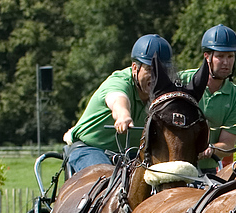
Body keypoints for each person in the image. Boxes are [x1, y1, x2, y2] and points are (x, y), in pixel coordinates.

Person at [63, 34, 174, 174]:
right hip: (90, 148)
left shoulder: (164, 91)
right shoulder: (119, 81)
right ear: (135, 68)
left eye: (162, 71)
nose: (156, 76)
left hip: (131, 153)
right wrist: (123, 116)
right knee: (106, 178)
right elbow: (117, 99)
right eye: (150, 69)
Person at [178, 24, 236, 174]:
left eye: (230, 56)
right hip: (173, 168)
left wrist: (211, 148)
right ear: (207, 57)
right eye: (220, 56)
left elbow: (228, 144)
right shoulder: (181, 81)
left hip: (206, 171)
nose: (226, 62)